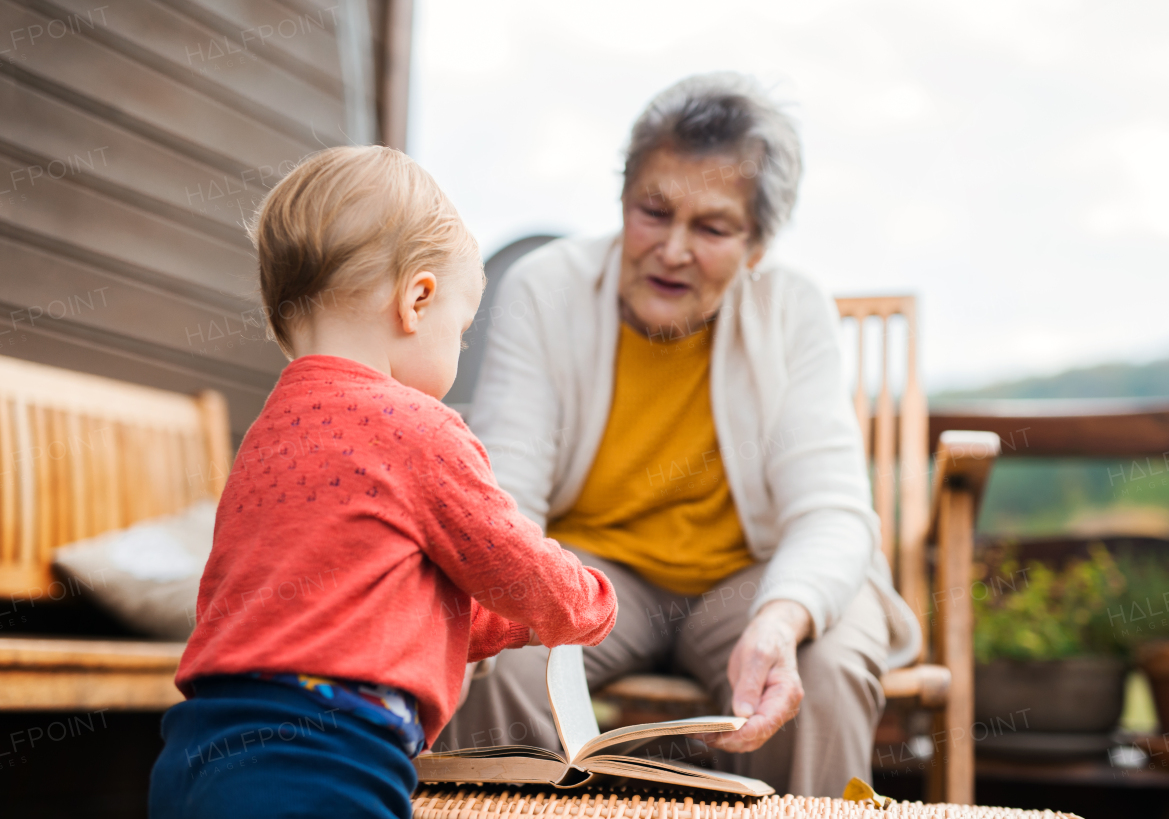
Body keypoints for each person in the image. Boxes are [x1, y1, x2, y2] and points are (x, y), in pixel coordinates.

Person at [438, 73, 920, 797]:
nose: (672, 248)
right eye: (653, 211)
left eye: (713, 227)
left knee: (826, 661)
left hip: (754, 574)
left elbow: (831, 513)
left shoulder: (795, 310)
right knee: (500, 654)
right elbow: (506, 501)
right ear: (623, 199)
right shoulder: (544, 288)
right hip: (588, 573)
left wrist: (781, 620)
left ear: (758, 246)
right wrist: (522, 607)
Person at [149, 146, 618, 819]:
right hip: (325, 754)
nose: (458, 351)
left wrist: (507, 624)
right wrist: (586, 602)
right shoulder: (420, 428)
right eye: (459, 332)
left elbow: (370, 593)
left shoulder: (268, 434)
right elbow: (511, 559)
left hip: (196, 746)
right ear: (417, 300)